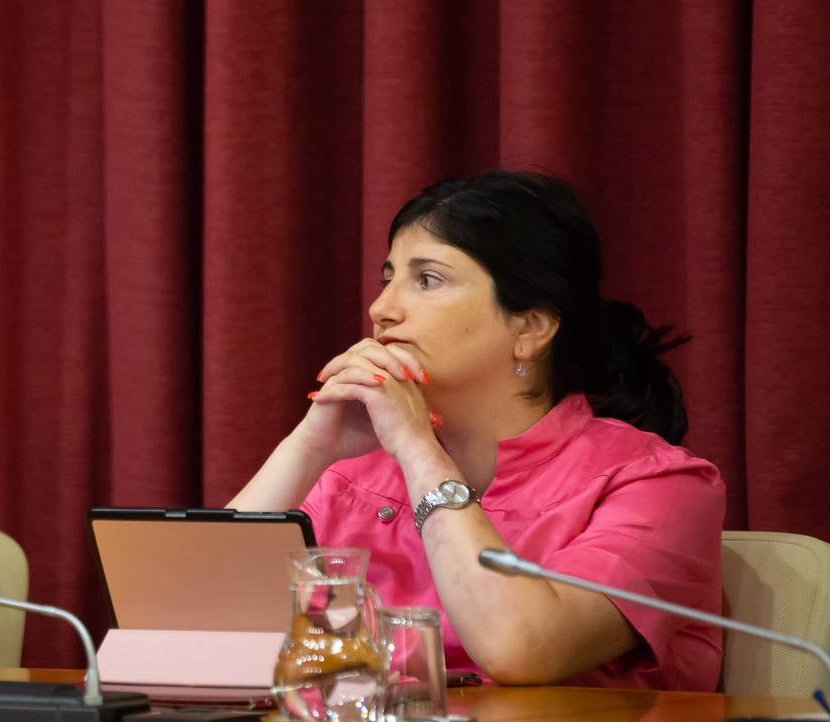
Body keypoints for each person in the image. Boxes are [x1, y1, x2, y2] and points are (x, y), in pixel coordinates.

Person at [231, 170, 724, 691]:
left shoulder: (660, 486)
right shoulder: (349, 476)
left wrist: (418, 450)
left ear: (530, 328)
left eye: (427, 280)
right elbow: (191, 620)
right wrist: (309, 446)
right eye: (388, 278)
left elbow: (520, 648)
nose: (381, 309)